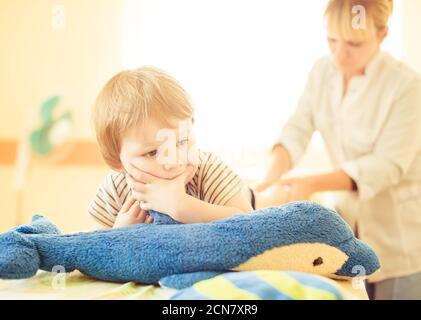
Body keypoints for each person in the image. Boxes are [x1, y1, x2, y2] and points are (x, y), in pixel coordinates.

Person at [254, 0, 421, 299]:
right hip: (350, 232)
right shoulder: (322, 72)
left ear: (382, 34)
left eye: (354, 43)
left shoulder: (406, 85)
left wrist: (311, 183)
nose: (340, 54)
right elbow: (297, 129)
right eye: (332, 39)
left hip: (401, 242)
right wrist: (269, 181)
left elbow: (387, 165)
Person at [88, 66, 253, 229]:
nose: (173, 161)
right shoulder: (117, 187)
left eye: (181, 142)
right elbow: (95, 248)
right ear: (118, 161)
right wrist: (120, 233)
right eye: (152, 153)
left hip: (251, 198)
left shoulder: (207, 169)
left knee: (269, 197)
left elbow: (250, 224)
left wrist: (182, 206)